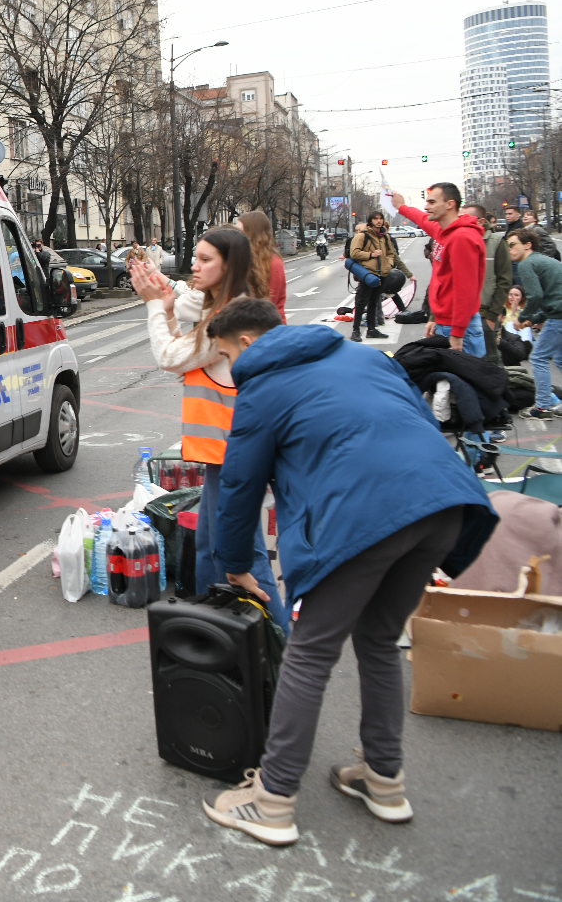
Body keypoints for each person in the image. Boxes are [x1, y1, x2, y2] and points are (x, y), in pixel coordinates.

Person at [199, 297, 495, 847]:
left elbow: (239, 487)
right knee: (380, 642)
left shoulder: (262, 388)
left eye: (221, 354)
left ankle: (274, 800)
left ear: (245, 343)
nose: (222, 366)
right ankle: (383, 781)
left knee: (311, 652)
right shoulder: (364, 355)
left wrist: (236, 566)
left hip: (365, 518)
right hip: (443, 504)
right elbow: (411, 421)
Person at [130, 228, 289, 631]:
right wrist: (162, 298)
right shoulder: (218, 306)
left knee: (242, 555)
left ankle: (275, 644)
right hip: (222, 451)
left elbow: (170, 355)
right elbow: (183, 305)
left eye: (205, 260)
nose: (194, 266)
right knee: (208, 548)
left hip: (236, 451)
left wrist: (154, 305)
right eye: (195, 258)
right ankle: (218, 632)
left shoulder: (228, 320)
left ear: (229, 266)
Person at [388, 182, 485, 354]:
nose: (426, 207)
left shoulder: (462, 238)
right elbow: (423, 220)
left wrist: (457, 332)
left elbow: (466, 290)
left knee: (466, 378)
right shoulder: (445, 230)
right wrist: (401, 206)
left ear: (450, 204)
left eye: (432, 202)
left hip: (461, 330)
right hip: (446, 323)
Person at [507, 228, 562, 419]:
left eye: (513, 245)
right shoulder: (543, 260)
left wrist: (521, 319)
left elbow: (536, 296)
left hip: (559, 317)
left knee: (538, 358)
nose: (510, 250)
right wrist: (534, 319)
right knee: (560, 360)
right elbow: (550, 298)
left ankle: (543, 407)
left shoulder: (527, 264)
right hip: (558, 314)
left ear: (527, 245)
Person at [465, 204, 513, 362]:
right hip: (463, 315)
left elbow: (504, 281)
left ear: (481, 221)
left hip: (486, 314)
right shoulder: (461, 242)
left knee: (490, 361)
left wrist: (492, 315)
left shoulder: (496, 242)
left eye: (465, 219)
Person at [347, 212, 400, 341]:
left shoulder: (385, 236)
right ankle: (356, 331)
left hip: (382, 274)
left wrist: (389, 264)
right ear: (370, 221)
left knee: (374, 302)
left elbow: (391, 253)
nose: (379, 221)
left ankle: (371, 329)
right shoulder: (362, 236)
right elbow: (353, 253)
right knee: (361, 302)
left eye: (381, 218)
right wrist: (371, 255)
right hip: (368, 274)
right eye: (376, 219)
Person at [237, 210, 286, 319]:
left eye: (240, 231)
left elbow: (270, 303)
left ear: (252, 234)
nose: (236, 235)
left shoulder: (273, 263)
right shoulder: (244, 258)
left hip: (268, 329)